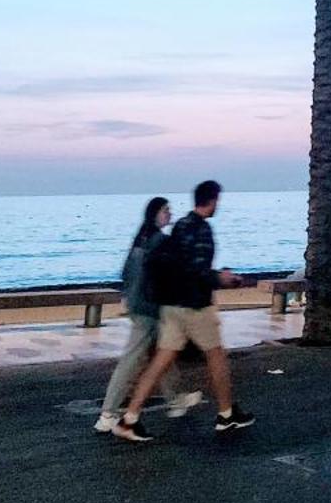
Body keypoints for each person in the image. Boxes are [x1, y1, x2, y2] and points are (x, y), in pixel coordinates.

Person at [113, 180, 254, 442]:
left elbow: (177, 265)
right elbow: (196, 270)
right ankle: (225, 414)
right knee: (216, 355)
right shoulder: (202, 229)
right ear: (212, 200)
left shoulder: (180, 226)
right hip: (194, 306)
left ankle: (129, 419)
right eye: (217, 201)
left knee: (159, 362)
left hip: (170, 306)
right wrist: (220, 278)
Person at [94, 197, 200, 432]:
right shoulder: (160, 241)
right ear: (155, 214)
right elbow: (177, 270)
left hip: (137, 305)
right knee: (132, 360)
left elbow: (126, 273)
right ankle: (108, 413)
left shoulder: (140, 239)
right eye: (165, 210)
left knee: (161, 354)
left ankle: (176, 399)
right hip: (149, 308)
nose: (169, 214)